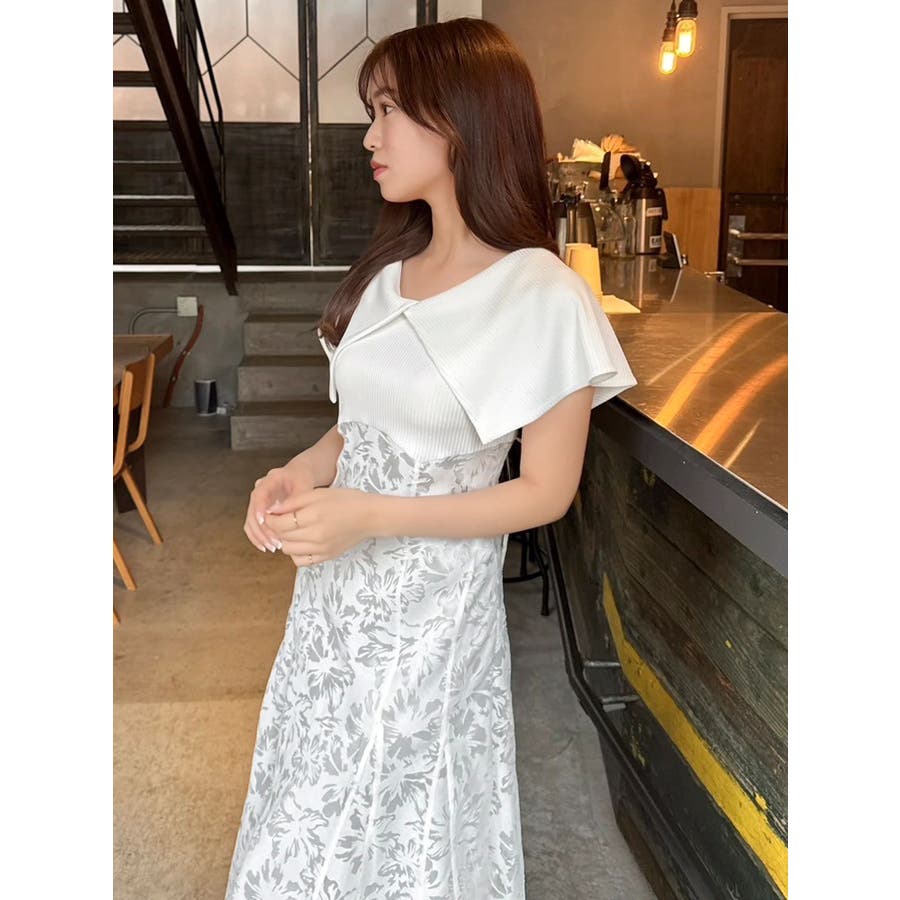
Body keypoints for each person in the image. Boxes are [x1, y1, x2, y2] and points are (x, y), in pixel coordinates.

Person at [227, 17, 636, 900]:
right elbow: (356, 430)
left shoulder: (542, 295)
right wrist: (299, 471)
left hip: (431, 627)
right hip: (332, 611)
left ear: (460, 120)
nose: (368, 138)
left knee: (406, 833)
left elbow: (547, 492)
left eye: (387, 112)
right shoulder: (385, 278)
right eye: (370, 113)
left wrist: (372, 513)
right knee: (305, 807)